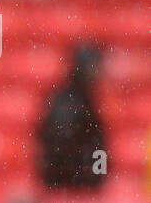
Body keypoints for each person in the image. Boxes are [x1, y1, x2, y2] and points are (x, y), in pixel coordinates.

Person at [37, 41, 107, 191]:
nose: (97, 74)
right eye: (93, 68)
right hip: (69, 189)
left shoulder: (83, 100)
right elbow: (59, 149)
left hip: (77, 187)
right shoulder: (68, 103)